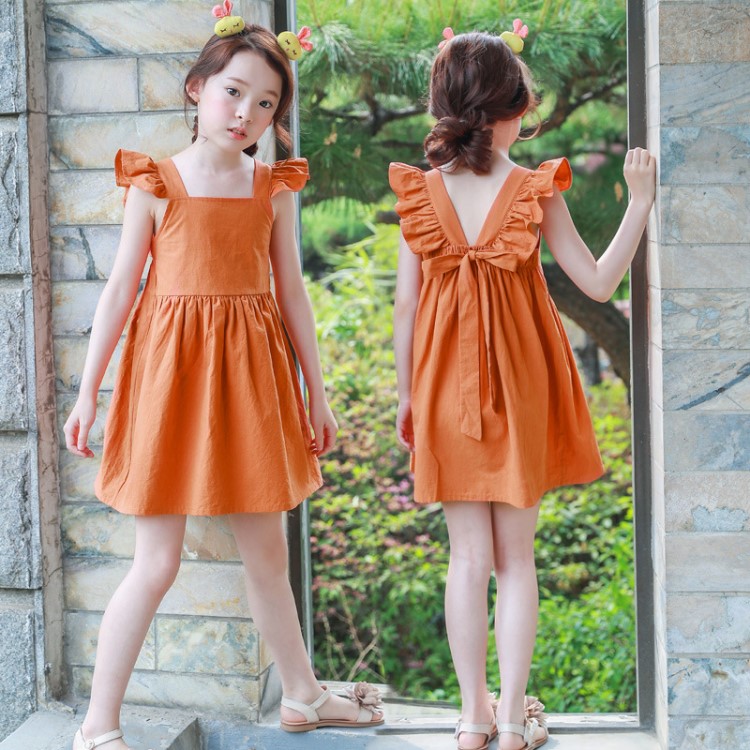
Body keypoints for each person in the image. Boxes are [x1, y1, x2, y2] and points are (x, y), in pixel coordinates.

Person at [64, 12, 383, 750]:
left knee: (268, 556)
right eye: (234, 92)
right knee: (156, 563)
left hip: (252, 384)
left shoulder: (273, 187)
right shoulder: (155, 183)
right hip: (169, 383)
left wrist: (317, 393)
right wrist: (88, 393)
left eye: (266, 103)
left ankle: (302, 695)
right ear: (198, 88)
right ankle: (97, 726)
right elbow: (119, 292)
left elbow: (292, 292)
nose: (246, 113)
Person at [389, 25, 655, 750]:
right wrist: (637, 203)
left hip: (442, 386)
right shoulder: (535, 190)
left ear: (443, 107)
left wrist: (407, 396)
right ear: (515, 107)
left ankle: (471, 717)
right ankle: (511, 720)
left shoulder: (420, 194)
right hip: (524, 385)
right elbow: (598, 282)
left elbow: (406, 308)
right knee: (515, 562)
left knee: (466, 559)